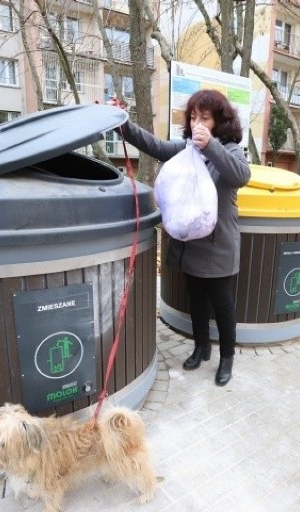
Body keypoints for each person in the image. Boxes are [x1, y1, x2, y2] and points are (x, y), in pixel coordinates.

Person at [110, 90, 250, 386]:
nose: (198, 123)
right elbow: (156, 146)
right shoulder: (188, 150)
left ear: (219, 122)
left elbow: (240, 175)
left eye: (205, 118)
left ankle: (227, 358)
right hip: (191, 244)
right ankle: (201, 347)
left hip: (219, 246)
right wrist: (122, 123)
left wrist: (211, 145)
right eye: (194, 117)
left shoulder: (231, 150)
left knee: (223, 304)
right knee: (196, 300)